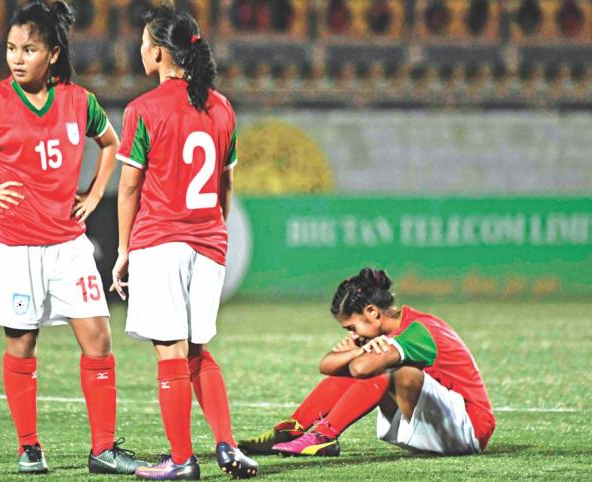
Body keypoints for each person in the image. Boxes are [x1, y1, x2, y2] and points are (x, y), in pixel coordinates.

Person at [0, 0, 146, 475]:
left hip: (68, 244)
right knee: (22, 344)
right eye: (10, 48)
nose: (17, 57)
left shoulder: (78, 101)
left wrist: (95, 191)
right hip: (13, 244)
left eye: (28, 49)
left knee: (99, 340)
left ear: (52, 53)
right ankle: (29, 446)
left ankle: (103, 450)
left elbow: (110, 142)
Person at [110, 3, 259, 480]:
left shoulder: (142, 110)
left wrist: (123, 251)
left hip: (161, 241)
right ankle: (228, 447)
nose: (140, 49)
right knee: (198, 350)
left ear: (157, 53)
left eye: (144, 42)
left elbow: (130, 187)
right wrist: (213, 230)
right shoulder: (222, 107)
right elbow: (225, 186)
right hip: (209, 243)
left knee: (171, 353)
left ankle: (181, 461)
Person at [239, 268, 496, 458]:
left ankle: (324, 436)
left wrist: (359, 355)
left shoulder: (418, 330)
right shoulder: (386, 333)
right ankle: (292, 430)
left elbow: (362, 369)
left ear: (372, 312)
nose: (352, 336)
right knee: (377, 366)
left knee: (386, 368)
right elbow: (327, 365)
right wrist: (356, 351)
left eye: (352, 327)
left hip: (468, 428)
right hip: (437, 423)